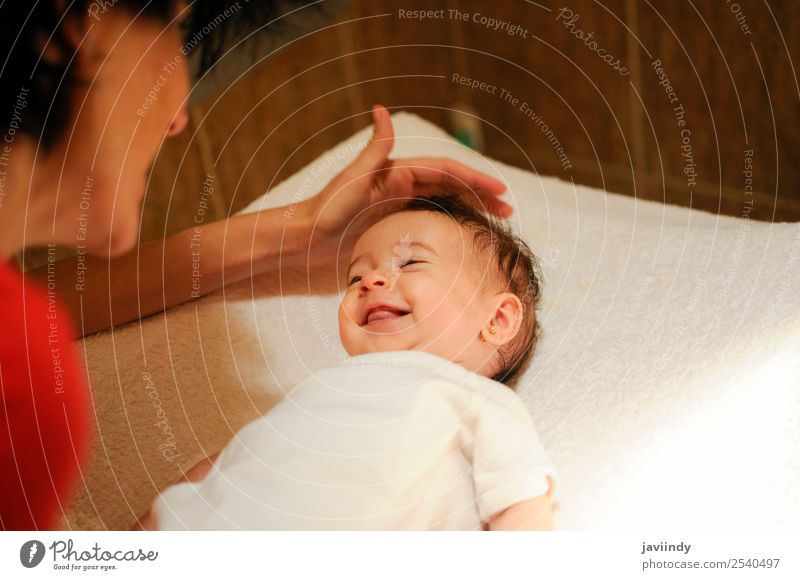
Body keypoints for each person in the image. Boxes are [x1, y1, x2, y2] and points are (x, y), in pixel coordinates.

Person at [0, 2, 512, 530]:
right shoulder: (24, 374)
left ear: (499, 319)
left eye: (411, 262)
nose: (179, 118)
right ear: (79, 23)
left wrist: (298, 232)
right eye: (175, 32)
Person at [142, 195, 556, 530]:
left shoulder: (479, 401)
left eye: (410, 262)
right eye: (356, 277)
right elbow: (238, 458)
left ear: (497, 320)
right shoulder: (323, 389)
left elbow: (523, 503)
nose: (371, 281)